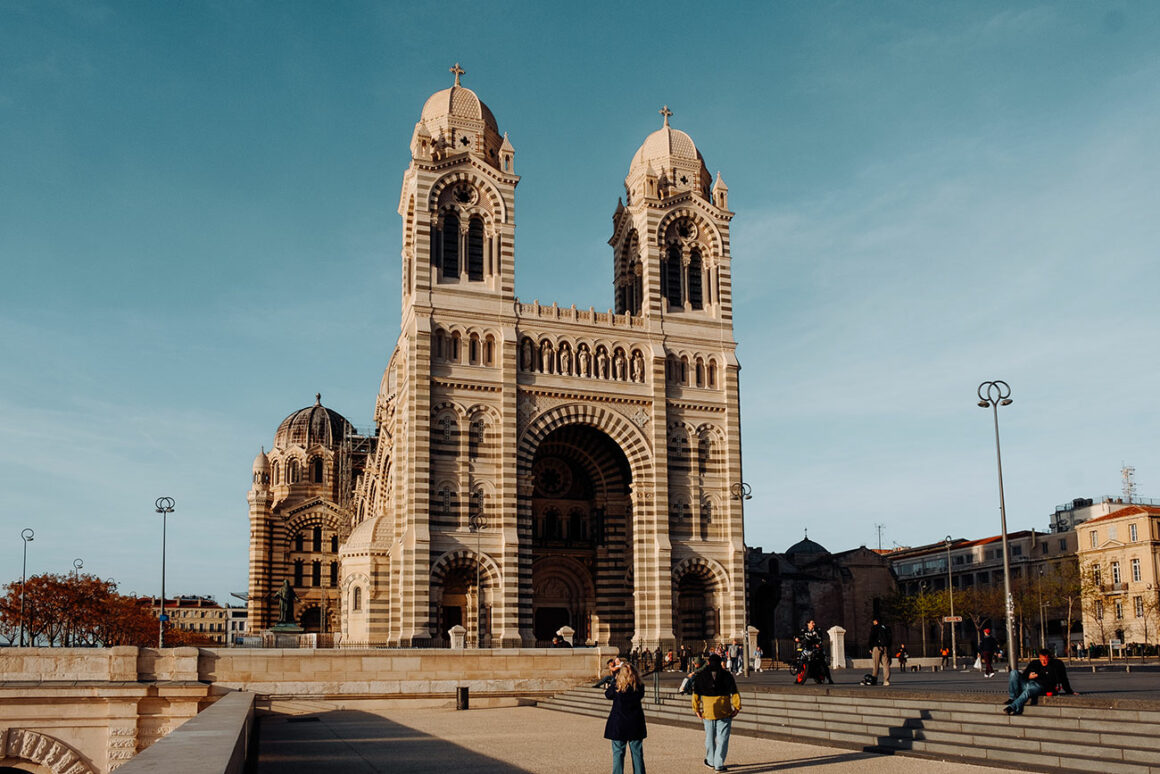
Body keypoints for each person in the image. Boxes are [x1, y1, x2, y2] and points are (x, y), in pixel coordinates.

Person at [692, 653, 741, 773]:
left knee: (709, 737)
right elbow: (734, 692)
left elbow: (696, 694)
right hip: (724, 710)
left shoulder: (701, 676)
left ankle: (710, 760)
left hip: (708, 710)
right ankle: (719, 764)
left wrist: (697, 709)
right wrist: (737, 707)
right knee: (723, 738)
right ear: (720, 663)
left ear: (708, 663)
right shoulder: (727, 675)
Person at [1004, 648, 1079, 715]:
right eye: (1041, 659)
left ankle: (1012, 707)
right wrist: (1028, 676)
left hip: (1040, 686)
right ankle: (1012, 698)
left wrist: (1070, 691)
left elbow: (1063, 678)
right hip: (1028, 683)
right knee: (1014, 673)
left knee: (1027, 692)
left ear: (1049, 658)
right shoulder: (1034, 663)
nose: (1043, 661)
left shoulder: (1056, 665)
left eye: (1045, 659)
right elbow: (1025, 674)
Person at [604, 660, 647, 773]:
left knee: (618, 754)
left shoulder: (617, 687)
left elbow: (607, 694)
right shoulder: (639, 687)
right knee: (637, 754)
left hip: (619, 723)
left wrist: (615, 679)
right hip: (635, 723)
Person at [867, 617, 891, 687]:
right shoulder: (886, 627)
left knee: (876, 664)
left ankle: (874, 679)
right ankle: (886, 680)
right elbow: (890, 638)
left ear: (876, 621)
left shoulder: (875, 628)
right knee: (886, 664)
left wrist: (870, 648)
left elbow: (871, 638)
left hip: (876, 647)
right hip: (885, 647)